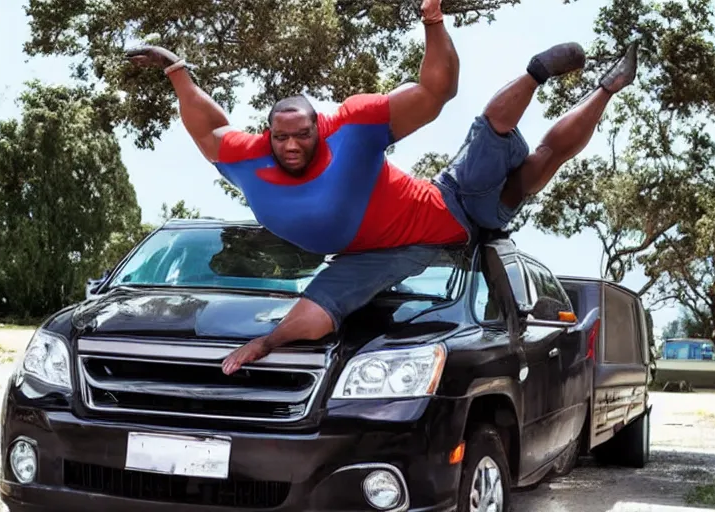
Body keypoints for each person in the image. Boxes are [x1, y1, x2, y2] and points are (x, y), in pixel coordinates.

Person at [126, 1, 638, 376]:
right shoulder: (247, 156)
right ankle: (608, 87)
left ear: (319, 127)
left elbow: (436, 90)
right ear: (267, 134)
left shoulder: (352, 127)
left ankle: (538, 72)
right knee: (538, 166)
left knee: (498, 134)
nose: (290, 145)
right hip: (414, 245)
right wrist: (177, 71)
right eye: (280, 136)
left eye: (302, 134)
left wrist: (433, 20)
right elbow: (206, 128)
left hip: (452, 198)